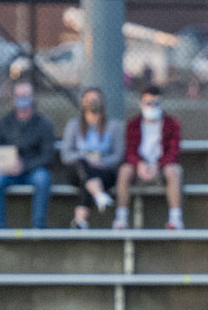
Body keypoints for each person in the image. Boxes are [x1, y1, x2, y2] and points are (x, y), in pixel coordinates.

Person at [0, 81, 56, 229]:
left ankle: (38, 227)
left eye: (26, 95)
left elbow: (48, 156)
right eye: (19, 95)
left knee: (43, 179)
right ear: (13, 99)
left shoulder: (44, 124)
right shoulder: (3, 123)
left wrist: (24, 166)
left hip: (34, 170)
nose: (22, 99)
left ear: (32, 98)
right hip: (8, 171)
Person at [114, 86, 185, 231]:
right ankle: (121, 218)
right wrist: (139, 164)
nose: (152, 107)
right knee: (124, 170)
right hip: (139, 168)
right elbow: (130, 151)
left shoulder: (172, 124)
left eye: (156, 103)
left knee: (174, 171)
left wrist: (158, 165)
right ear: (141, 103)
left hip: (161, 167)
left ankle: (175, 219)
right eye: (148, 103)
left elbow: (173, 151)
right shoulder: (133, 125)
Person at [60, 87, 125, 230]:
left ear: (103, 103)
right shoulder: (73, 125)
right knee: (83, 166)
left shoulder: (114, 126)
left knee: (88, 179)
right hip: (78, 170)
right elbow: (65, 154)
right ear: (83, 103)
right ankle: (99, 194)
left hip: (104, 171)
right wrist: (86, 158)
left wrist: (100, 162)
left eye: (95, 100)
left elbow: (118, 155)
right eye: (88, 100)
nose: (92, 103)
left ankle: (80, 220)